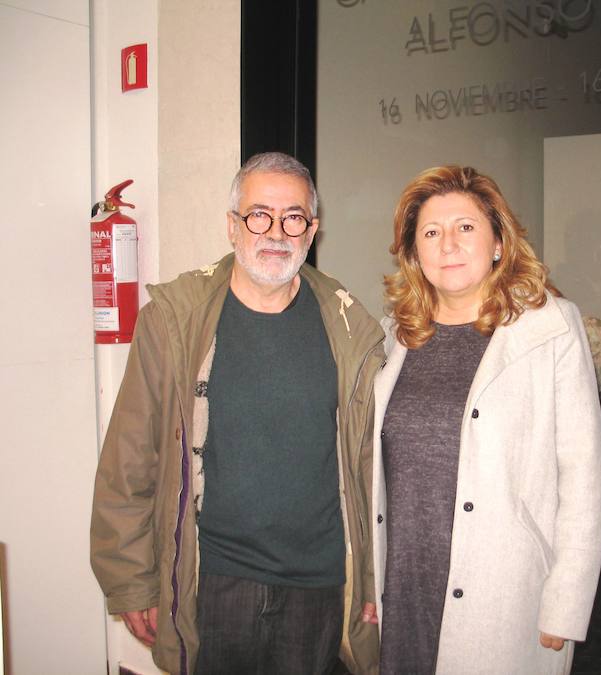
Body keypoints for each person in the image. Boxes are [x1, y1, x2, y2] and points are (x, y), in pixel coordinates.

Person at [90, 152, 383, 675]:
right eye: (258, 215)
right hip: (215, 582)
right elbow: (130, 456)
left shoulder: (351, 330)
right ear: (232, 226)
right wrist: (131, 581)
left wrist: (375, 578)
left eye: (293, 217)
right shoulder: (174, 321)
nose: (276, 232)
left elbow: (373, 470)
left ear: (312, 229)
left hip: (320, 588)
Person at [371, 165, 601, 674]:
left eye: (466, 227)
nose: (448, 244)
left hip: (504, 590)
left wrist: (566, 603)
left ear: (499, 241)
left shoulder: (549, 327)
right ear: (413, 253)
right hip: (408, 579)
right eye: (431, 232)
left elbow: (584, 474)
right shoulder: (397, 335)